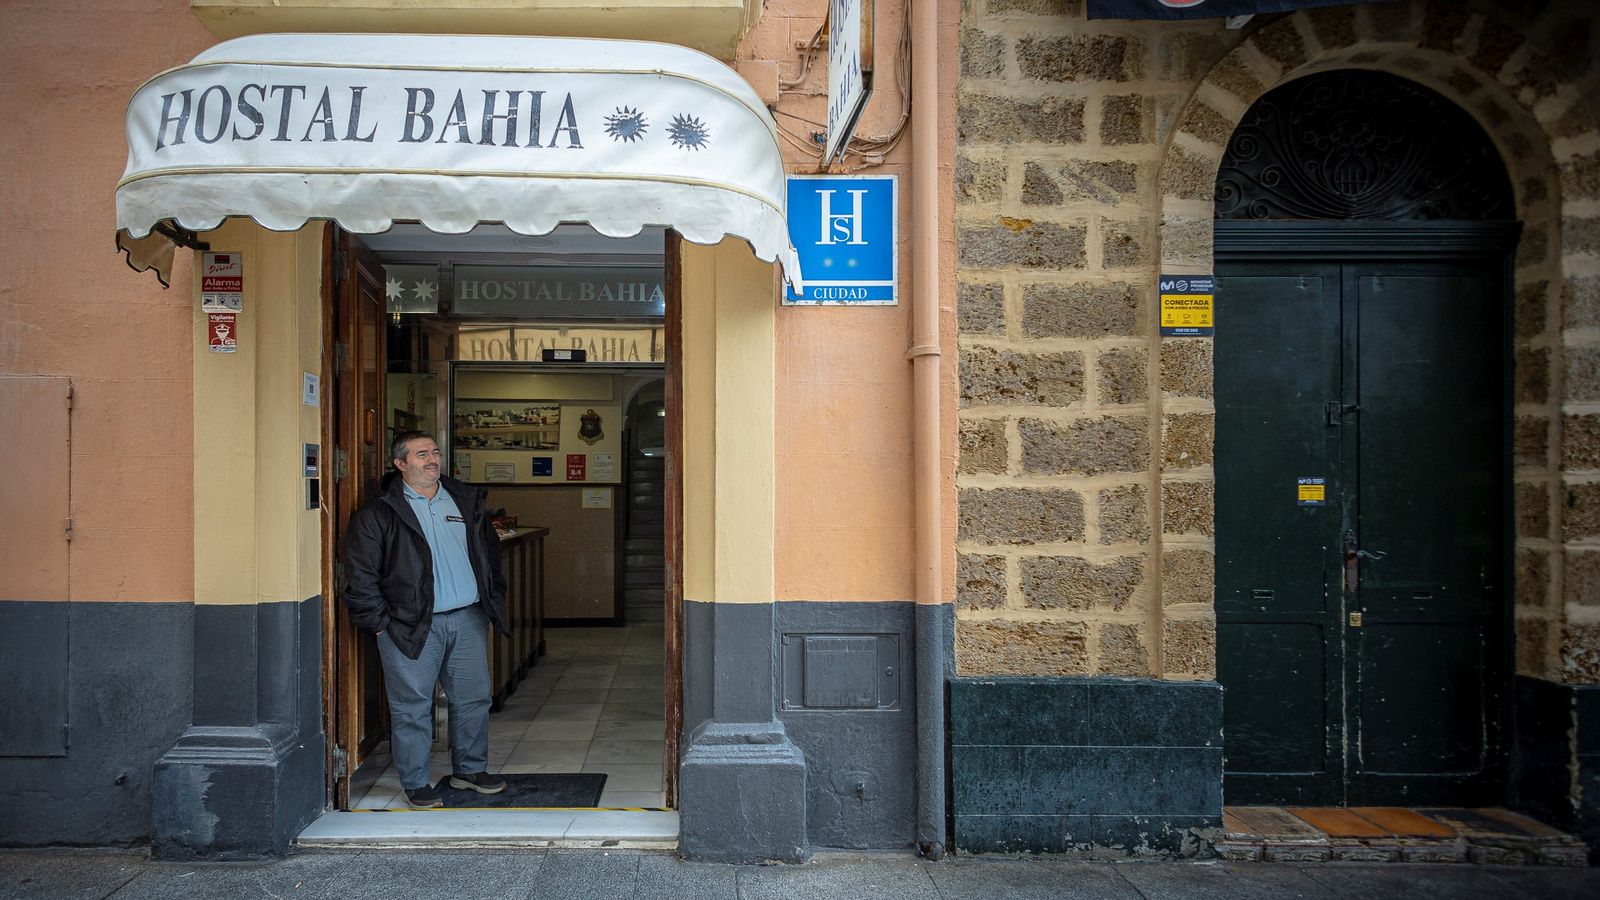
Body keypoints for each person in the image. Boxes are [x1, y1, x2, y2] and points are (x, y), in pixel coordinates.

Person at [343, 430, 510, 808]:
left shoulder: (464, 500)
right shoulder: (379, 512)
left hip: (467, 618)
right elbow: (361, 574)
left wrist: (491, 597)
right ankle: (416, 781)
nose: (432, 459)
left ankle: (469, 770)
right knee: (413, 706)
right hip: (408, 624)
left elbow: (489, 554)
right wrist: (382, 624)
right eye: (422, 454)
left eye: (435, 452)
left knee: (473, 699)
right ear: (400, 464)